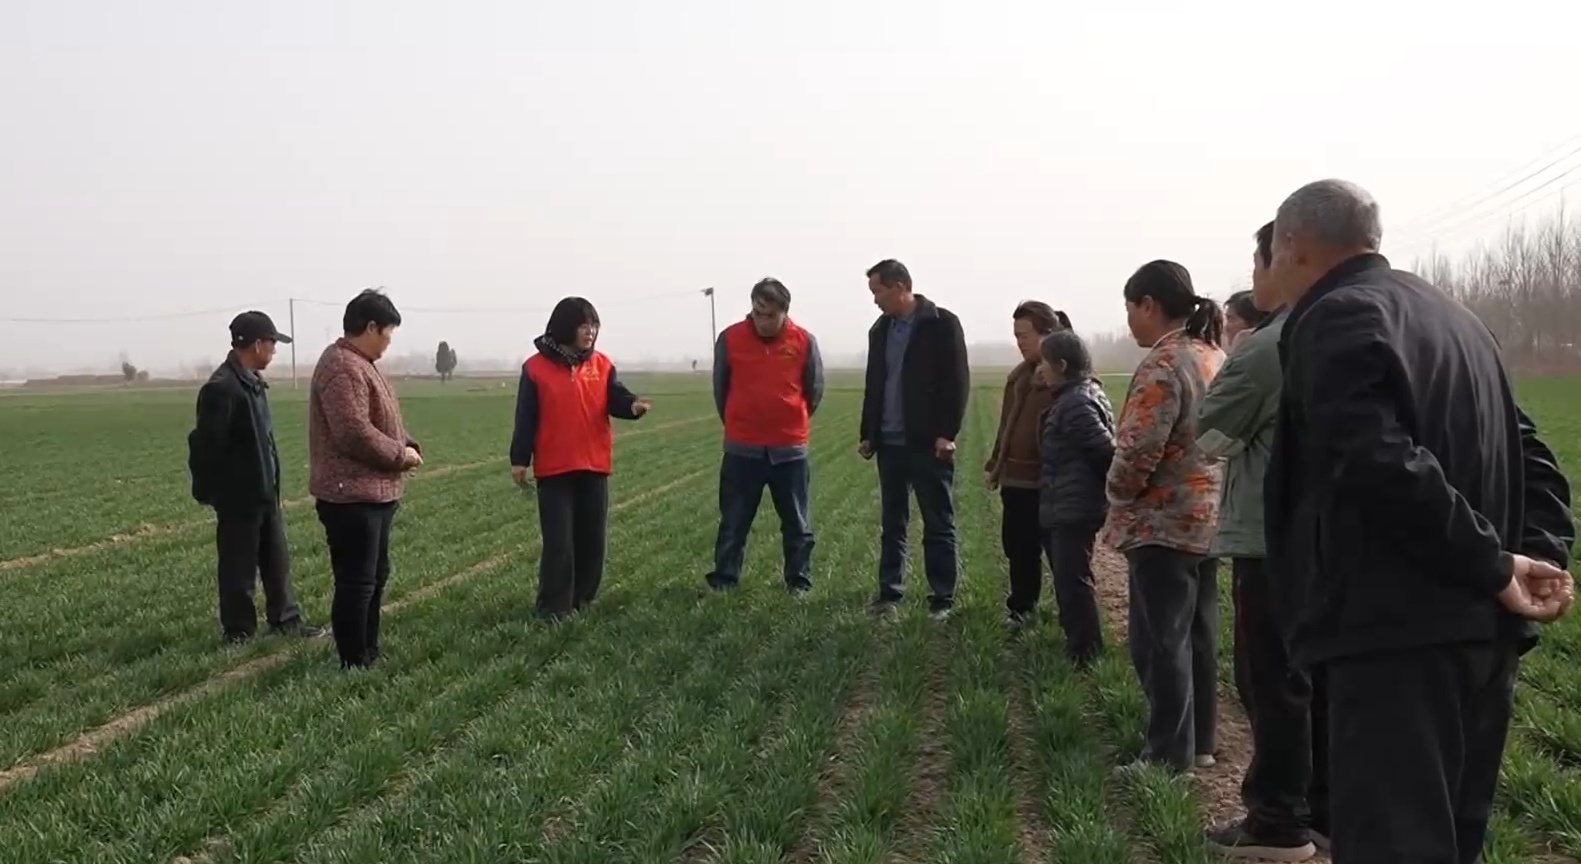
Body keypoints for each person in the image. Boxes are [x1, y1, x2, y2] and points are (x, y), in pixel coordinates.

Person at [1264, 179, 1576, 863]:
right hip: (1482, 637)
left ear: (1292, 245)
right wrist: (1536, 556)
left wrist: (1494, 563)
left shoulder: (1335, 316)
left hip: (1393, 640)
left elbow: (1374, 462)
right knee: (1451, 843)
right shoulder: (1459, 321)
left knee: (1392, 842)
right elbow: (1534, 458)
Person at [1199, 225, 1324, 860]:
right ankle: (1324, 810)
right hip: (1347, 543)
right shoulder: (1391, 322)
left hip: (1271, 539)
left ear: (1284, 260)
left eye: (1258, 263)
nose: (1254, 278)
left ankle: (1277, 822)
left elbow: (1211, 430)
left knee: (1271, 681)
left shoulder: (1273, 345)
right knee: (1324, 683)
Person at [1104, 259, 1226, 774]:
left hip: (1162, 523)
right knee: (1199, 636)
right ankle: (1200, 743)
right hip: (1209, 516)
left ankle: (1166, 756)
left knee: (1160, 641)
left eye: (1131, 308)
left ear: (1149, 305)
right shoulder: (1213, 355)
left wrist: (1116, 492)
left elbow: (1138, 450)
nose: (1130, 320)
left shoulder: (1163, 364)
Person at [510, 297, 651, 620]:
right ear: (565, 327)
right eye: (584, 326)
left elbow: (616, 397)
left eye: (594, 326)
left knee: (592, 540)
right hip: (554, 469)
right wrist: (520, 459)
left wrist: (632, 406)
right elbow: (525, 417)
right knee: (559, 543)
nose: (591, 332)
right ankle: (553, 607)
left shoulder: (602, 365)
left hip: (594, 465)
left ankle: (583, 600)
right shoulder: (535, 368)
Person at [187, 311, 321, 644]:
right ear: (257, 344)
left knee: (277, 562)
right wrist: (212, 493)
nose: (274, 351)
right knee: (238, 567)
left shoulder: (253, 383)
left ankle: (286, 620)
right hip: (238, 497)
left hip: (265, 492)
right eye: (272, 344)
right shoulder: (222, 388)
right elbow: (205, 448)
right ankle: (238, 631)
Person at [308, 289, 422, 669]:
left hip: (373, 493)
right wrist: (399, 456)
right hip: (350, 495)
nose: (389, 341)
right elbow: (353, 432)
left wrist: (406, 443)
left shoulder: (363, 364)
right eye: (388, 332)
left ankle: (368, 651)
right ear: (371, 327)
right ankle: (354, 660)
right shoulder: (342, 366)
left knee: (374, 576)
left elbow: (380, 420)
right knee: (356, 581)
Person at [858, 259, 970, 620]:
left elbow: (957, 382)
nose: (875, 299)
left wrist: (946, 434)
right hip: (889, 444)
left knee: (938, 523)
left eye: (878, 291)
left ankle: (942, 598)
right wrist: (868, 433)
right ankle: (890, 593)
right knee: (893, 523)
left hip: (927, 443)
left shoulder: (941, 324)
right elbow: (874, 383)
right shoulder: (880, 330)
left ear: (900, 286)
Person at [705, 278, 825, 595]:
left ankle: (798, 581)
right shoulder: (730, 339)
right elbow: (721, 388)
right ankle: (725, 579)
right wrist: (738, 422)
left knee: (797, 522)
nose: (763, 321)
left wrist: (790, 417)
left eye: (770, 315)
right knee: (734, 521)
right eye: (758, 313)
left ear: (785, 312)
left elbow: (814, 389)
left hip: (789, 450)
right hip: (742, 449)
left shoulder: (804, 341)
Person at [1034, 328, 1114, 666]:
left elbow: (1106, 452)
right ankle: (1078, 643)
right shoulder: (1079, 396)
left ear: (1062, 365)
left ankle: (1085, 652)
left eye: (1044, 362)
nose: (1040, 369)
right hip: (1071, 502)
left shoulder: (1077, 403)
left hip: (1075, 506)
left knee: (1073, 581)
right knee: (1069, 578)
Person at [985, 301, 1068, 624]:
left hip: (1050, 483)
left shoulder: (1066, 378)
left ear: (1047, 334)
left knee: (1061, 555)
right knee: (1019, 549)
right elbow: (1007, 426)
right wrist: (997, 463)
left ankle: (1071, 616)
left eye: (1024, 336)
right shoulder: (1019, 377)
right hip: (1016, 480)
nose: (1019, 343)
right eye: (1016, 336)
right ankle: (1021, 609)